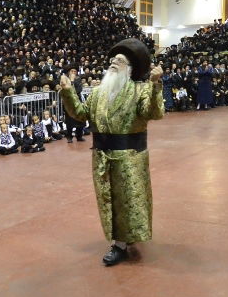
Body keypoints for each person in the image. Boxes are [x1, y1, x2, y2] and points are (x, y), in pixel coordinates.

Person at [59, 38, 164, 266]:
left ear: (130, 68)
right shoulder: (98, 93)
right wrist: (68, 92)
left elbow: (153, 113)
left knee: (128, 201)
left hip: (129, 157)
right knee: (108, 201)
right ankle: (122, 240)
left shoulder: (140, 90)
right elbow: (80, 113)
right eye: (112, 60)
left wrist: (155, 85)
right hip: (101, 157)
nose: (113, 63)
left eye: (119, 61)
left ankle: (120, 245)